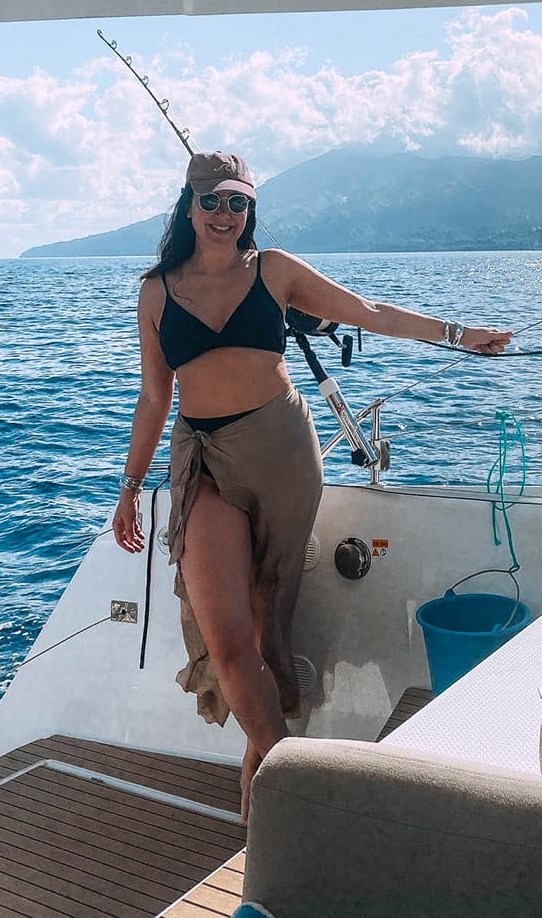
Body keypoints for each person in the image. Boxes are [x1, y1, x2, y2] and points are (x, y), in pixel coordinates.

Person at [112, 152, 509, 817]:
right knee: (228, 640)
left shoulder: (274, 270)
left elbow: (367, 312)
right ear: (188, 205)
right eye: (211, 201)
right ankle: (292, 785)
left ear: (250, 209)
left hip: (282, 453)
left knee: (268, 616)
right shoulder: (157, 291)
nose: (224, 214)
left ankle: (260, 763)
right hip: (204, 458)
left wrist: (459, 335)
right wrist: (129, 487)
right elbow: (155, 397)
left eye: (237, 202)